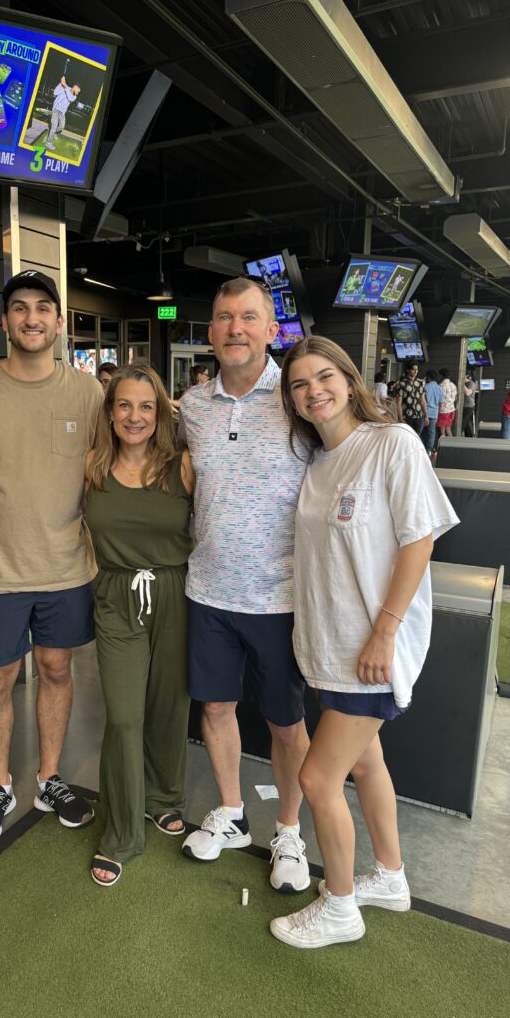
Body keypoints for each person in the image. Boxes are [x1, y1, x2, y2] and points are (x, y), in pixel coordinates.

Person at [270, 336, 458, 949]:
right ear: (292, 400)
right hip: (328, 646)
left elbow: (419, 541)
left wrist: (385, 630)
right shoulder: (317, 463)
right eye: (299, 384)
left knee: (319, 781)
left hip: (370, 653)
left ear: (349, 382)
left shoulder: (392, 444)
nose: (313, 391)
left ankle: (341, 906)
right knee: (366, 761)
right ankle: (391, 876)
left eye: (324, 377)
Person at [178, 276, 311, 893]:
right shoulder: (192, 408)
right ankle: (231, 813)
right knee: (216, 706)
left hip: (279, 597)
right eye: (225, 317)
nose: (236, 328)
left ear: (271, 329)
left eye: (249, 317)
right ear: (210, 331)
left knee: (286, 722)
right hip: (207, 592)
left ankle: (287, 830)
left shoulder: (298, 400)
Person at [0, 270, 102, 845]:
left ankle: (48, 776)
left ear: (59, 322)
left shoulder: (87, 393)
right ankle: (0, 782)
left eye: (43, 308)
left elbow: (107, 475)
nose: (32, 318)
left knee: (56, 670)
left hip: (67, 566)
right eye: (20, 309)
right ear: (5, 322)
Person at [85, 364, 194, 886]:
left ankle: (163, 796)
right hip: (115, 594)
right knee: (125, 714)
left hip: (175, 591)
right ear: (110, 412)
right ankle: (123, 831)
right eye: (125, 405)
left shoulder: (184, 468)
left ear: (161, 412)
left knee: (169, 705)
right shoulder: (91, 467)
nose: (135, 416)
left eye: (146, 406)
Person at [392, 362, 428, 436]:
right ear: (408, 370)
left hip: (418, 416)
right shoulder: (402, 384)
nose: (415, 371)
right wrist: (400, 418)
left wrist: (426, 415)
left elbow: (423, 401)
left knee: (417, 437)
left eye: (417, 369)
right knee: (406, 436)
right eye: (413, 369)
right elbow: (398, 403)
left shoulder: (420, 383)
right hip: (407, 416)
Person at [46, 75, 80, 151]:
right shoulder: (64, 86)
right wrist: (60, 84)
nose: (77, 93)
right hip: (55, 110)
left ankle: (54, 133)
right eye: (78, 91)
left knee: (61, 127)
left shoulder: (74, 96)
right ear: (75, 88)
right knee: (54, 126)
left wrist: (64, 85)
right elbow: (55, 92)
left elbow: (70, 98)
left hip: (62, 113)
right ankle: (48, 142)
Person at [422, 370, 444, 457]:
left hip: (425, 413)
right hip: (434, 413)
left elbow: (422, 401)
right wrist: (437, 414)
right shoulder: (439, 388)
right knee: (432, 432)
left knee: (420, 430)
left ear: (429, 377)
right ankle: (429, 450)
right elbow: (441, 403)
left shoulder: (426, 387)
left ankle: (421, 447)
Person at [437, 368, 457, 442]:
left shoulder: (441, 386)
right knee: (448, 429)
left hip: (443, 411)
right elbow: (455, 398)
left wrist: (437, 412)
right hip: (452, 409)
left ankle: (442, 447)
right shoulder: (453, 385)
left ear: (441, 375)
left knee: (442, 432)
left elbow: (440, 401)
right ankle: (451, 445)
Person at [462, 372, 477, 437]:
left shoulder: (471, 384)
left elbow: (468, 393)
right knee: (467, 423)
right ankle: (469, 436)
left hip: (468, 406)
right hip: (465, 405)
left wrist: (462, 383)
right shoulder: (466, 384)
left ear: (468, 377)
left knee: (463, 423)